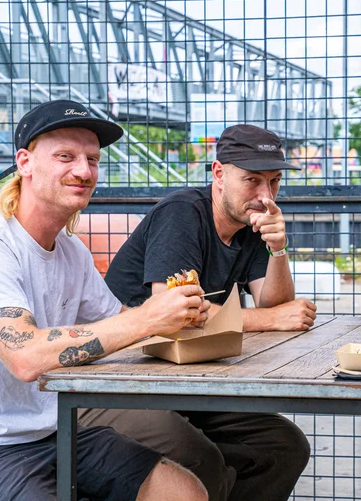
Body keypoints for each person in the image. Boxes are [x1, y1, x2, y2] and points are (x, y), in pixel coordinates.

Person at [0, 100, 211, 501]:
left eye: (92, 159)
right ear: (25, 163)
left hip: (51, 430)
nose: (84, 170)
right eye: (65, 157)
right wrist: (147, 319)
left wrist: (177, 317)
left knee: (184, 491)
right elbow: (27, 357)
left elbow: (119, 324)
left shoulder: (71, 251)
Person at [80, 124, 313, 501]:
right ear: (219, 174)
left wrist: (278, 248)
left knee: (284, 446)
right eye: (252, 180)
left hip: (185, 377)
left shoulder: (252, 222)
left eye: (274, 182)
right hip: (125, 379)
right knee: (200, 458)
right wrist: (269, 319)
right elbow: (176, 314)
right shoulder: (183, 213)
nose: (265, 196)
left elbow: (275, 304)